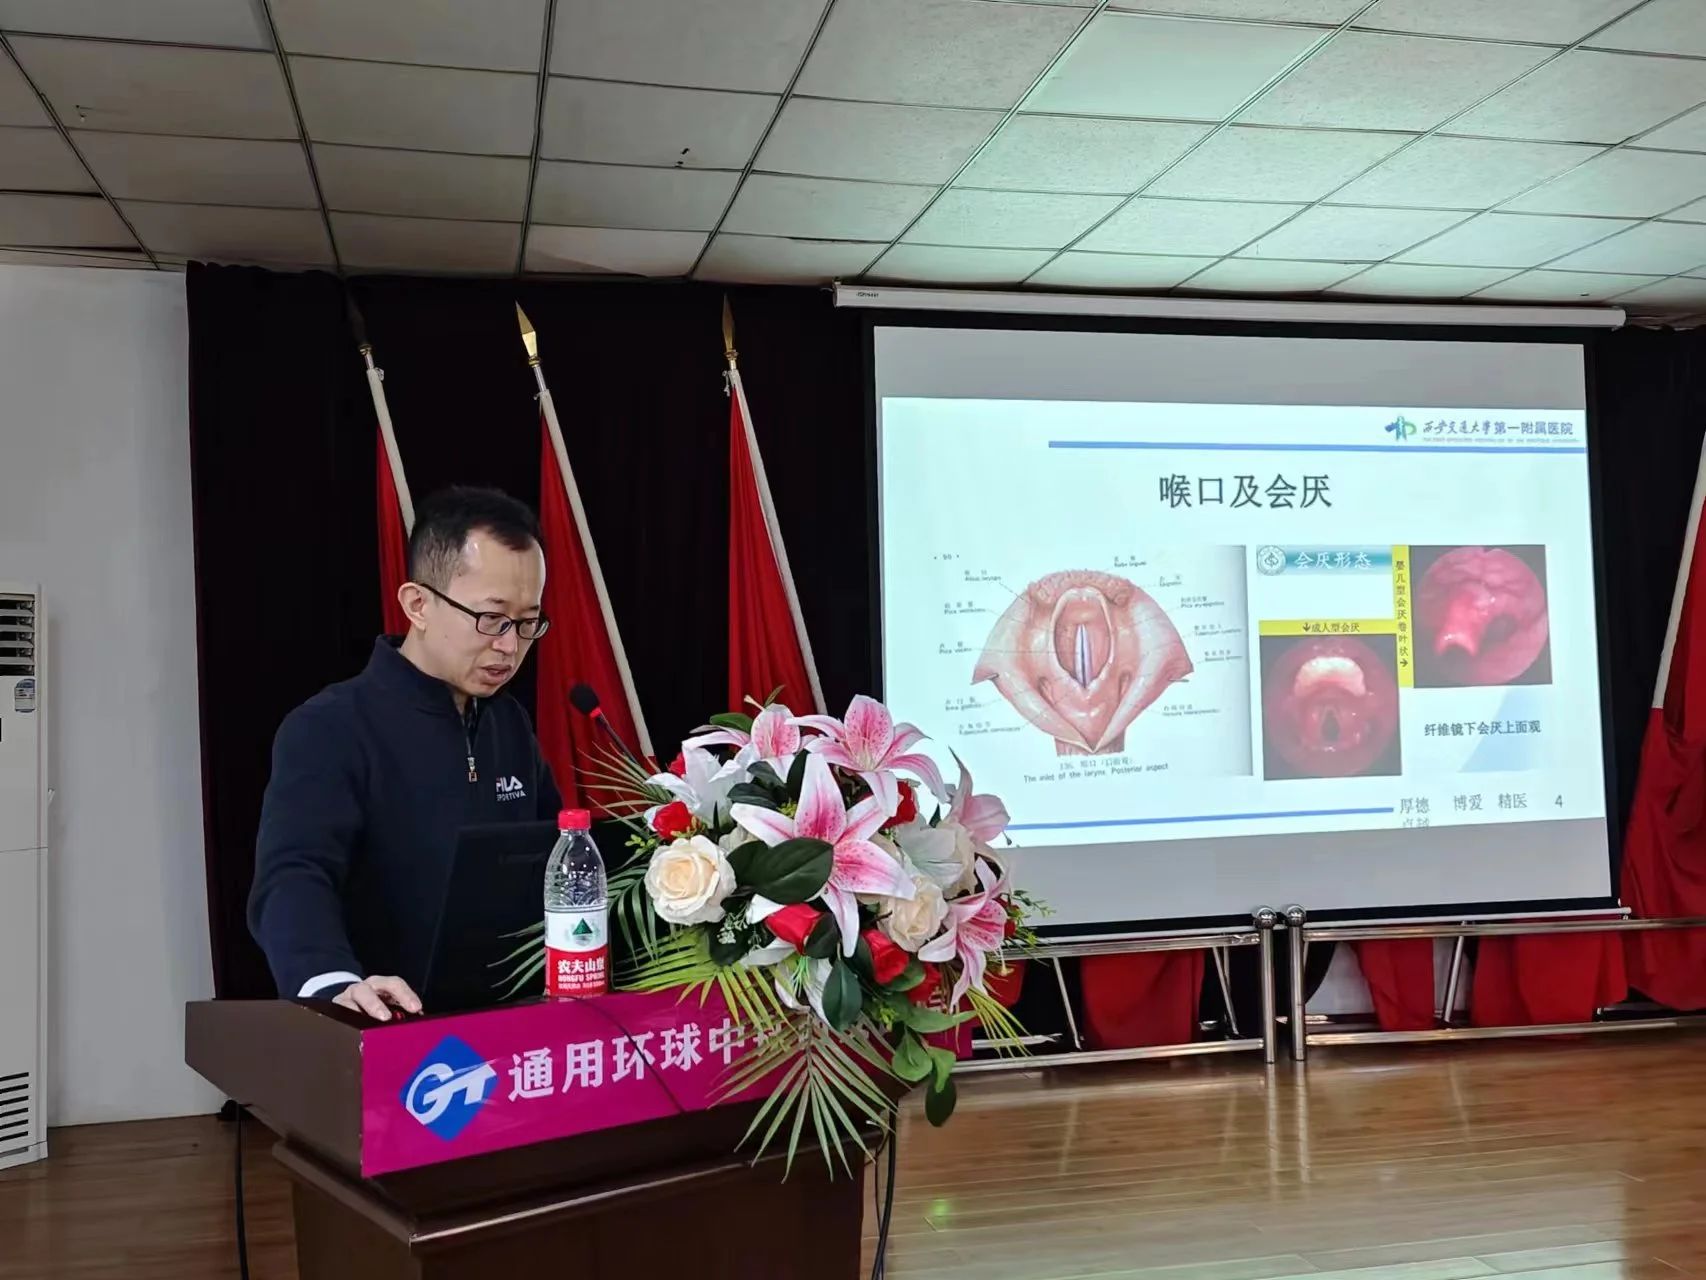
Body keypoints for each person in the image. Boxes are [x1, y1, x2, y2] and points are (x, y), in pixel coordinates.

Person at [249, 486, 562, 1020]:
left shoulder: (507, 722)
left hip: (511, 1026)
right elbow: (294, 877)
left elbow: (556, 854)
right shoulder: (329, 727)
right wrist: (332, 984)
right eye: (492, 619)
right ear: (418, 604)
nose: (510, 646)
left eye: (528, 621)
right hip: (391, 1029)